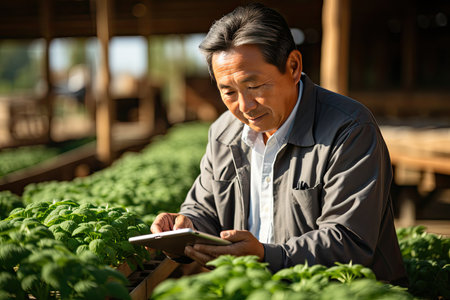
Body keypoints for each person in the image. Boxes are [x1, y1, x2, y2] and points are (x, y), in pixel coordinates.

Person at [151, 3, 407, 284]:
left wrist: (265, 256)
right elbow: (204, 208)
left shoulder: (349, 129)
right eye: (229, 92)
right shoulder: (223, 133)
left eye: (255, 86)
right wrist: (186, 226)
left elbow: (350, 240)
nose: (245, 106)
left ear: (294, 67)